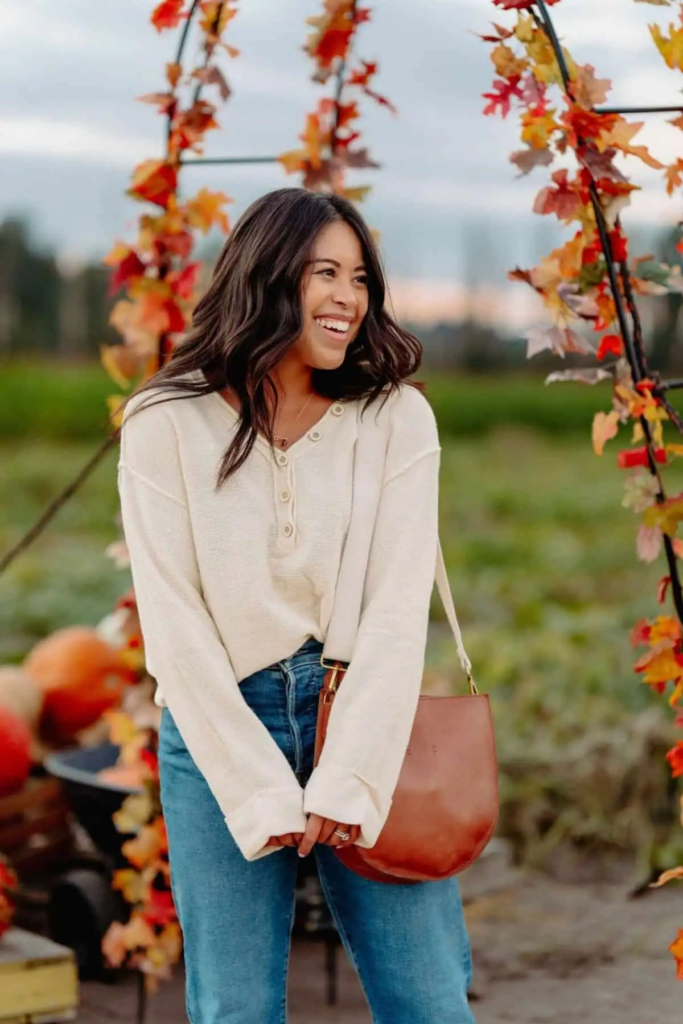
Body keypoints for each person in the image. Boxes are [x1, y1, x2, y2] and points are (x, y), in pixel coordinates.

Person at [117, 187, 475, 1023]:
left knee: (428, 1004)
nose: (349, 298)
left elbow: (394, 611)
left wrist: (346, 775)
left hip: (366, 720)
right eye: (325, 272)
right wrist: (258, 790)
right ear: (267, 274)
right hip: (217, 732)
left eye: (360, 278)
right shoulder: (163, 421)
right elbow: (173, 628)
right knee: (234, 1011)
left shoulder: (394, 419)